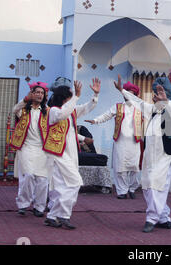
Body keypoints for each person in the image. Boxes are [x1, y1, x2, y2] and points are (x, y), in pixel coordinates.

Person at [114, 75, 171, 233]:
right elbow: (138, 102)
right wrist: (122, 90)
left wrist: (166, 102)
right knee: (148, 186)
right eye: (155, 93)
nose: (156, 96)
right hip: (149, 156)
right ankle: (164, 217)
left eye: (160, 93)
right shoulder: (152, 110)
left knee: (157, 185)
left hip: (164, 156)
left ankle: (152, 218)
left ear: (167, 94)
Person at [43, 77, 100, 229]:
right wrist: (77, 96)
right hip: (57, 154)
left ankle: (56, 216)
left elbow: (87, 108)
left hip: (70, 154)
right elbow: (63, 114)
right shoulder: (54, 111)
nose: (72, 99)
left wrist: (95, 95)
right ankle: (61, 215)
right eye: (70, 95)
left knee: (64, 187)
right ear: (64, 97)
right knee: (73, 184)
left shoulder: (71, 111)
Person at [85, 81, 143, 199]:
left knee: (134, 167)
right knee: (120, 167)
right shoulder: (118, 107)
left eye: (131, 94)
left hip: (135, 141)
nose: (128, 95)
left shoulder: (140, 107)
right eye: (126, 93)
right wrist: (95, 120)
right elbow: (106, 115)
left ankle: (132, 188)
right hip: (120, 141)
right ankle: (122, 191)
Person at [11, 81, 51, 217]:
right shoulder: (23, 110)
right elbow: (14, 109)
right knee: (28, 175)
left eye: (42, 93)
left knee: (42, 180)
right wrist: (24, 100)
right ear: (32, 94)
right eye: (37, 92)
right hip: (26, 147)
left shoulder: (48, 112)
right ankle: (22, 204)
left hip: (42, 149)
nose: (40, 95)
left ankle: (39, 207)